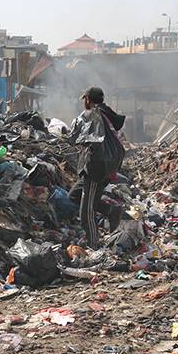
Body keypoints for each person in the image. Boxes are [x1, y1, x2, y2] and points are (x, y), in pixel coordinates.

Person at [68, 86, 126, 249]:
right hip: (110, 163)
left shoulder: (89, 114)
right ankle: (112, 211)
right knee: (74, 195)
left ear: (87, 99)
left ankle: (93, 244)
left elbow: (74, 137)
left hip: (96, 166)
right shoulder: (106, 112)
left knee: (86, 211)